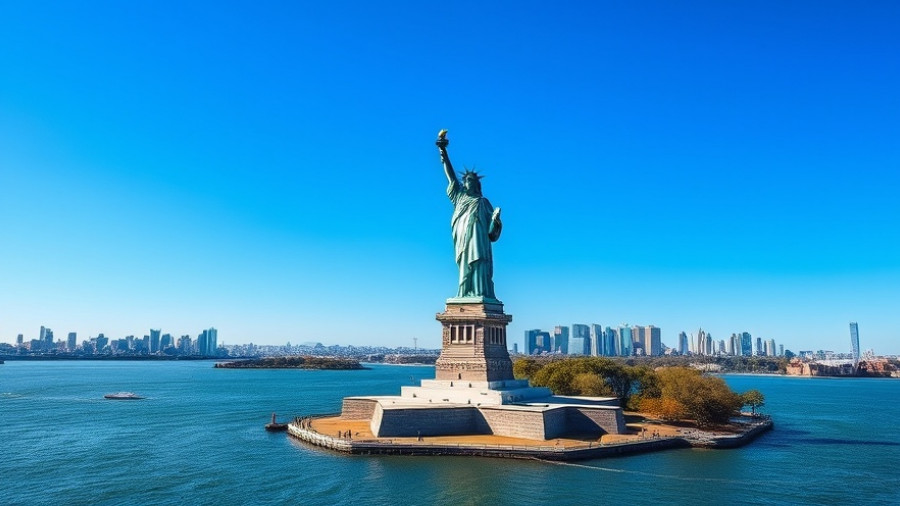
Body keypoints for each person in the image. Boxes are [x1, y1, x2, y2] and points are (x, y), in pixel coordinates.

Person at [436, 132, 502, 299]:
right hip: (463, 238)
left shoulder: (483, 202)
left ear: (476, 184)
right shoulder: (459, 197)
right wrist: (443, 152)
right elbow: (450, 175)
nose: (468, 182)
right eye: (466, 180)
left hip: (479, 241)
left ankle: (480, 293)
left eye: (471, 180)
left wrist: (495, 221)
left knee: (479, 263)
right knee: (465, 266)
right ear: (464, 184)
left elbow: (492, 234)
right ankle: (465, 293)